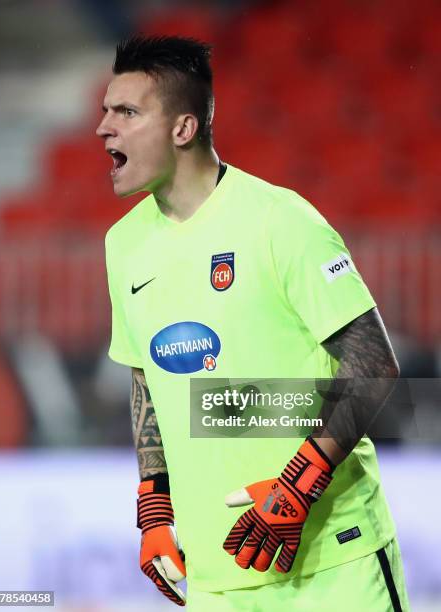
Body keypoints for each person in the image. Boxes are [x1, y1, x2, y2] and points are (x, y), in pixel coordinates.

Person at [97, 35, 409, 611]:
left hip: (335, 563)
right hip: (218, 578)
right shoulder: (123, 245)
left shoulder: (280, 221)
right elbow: (147, 381)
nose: (103, 128)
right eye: (104, 111)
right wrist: (154, 511)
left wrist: (298, 486)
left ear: (182, 129)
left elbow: (373, 363)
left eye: (126, 112)